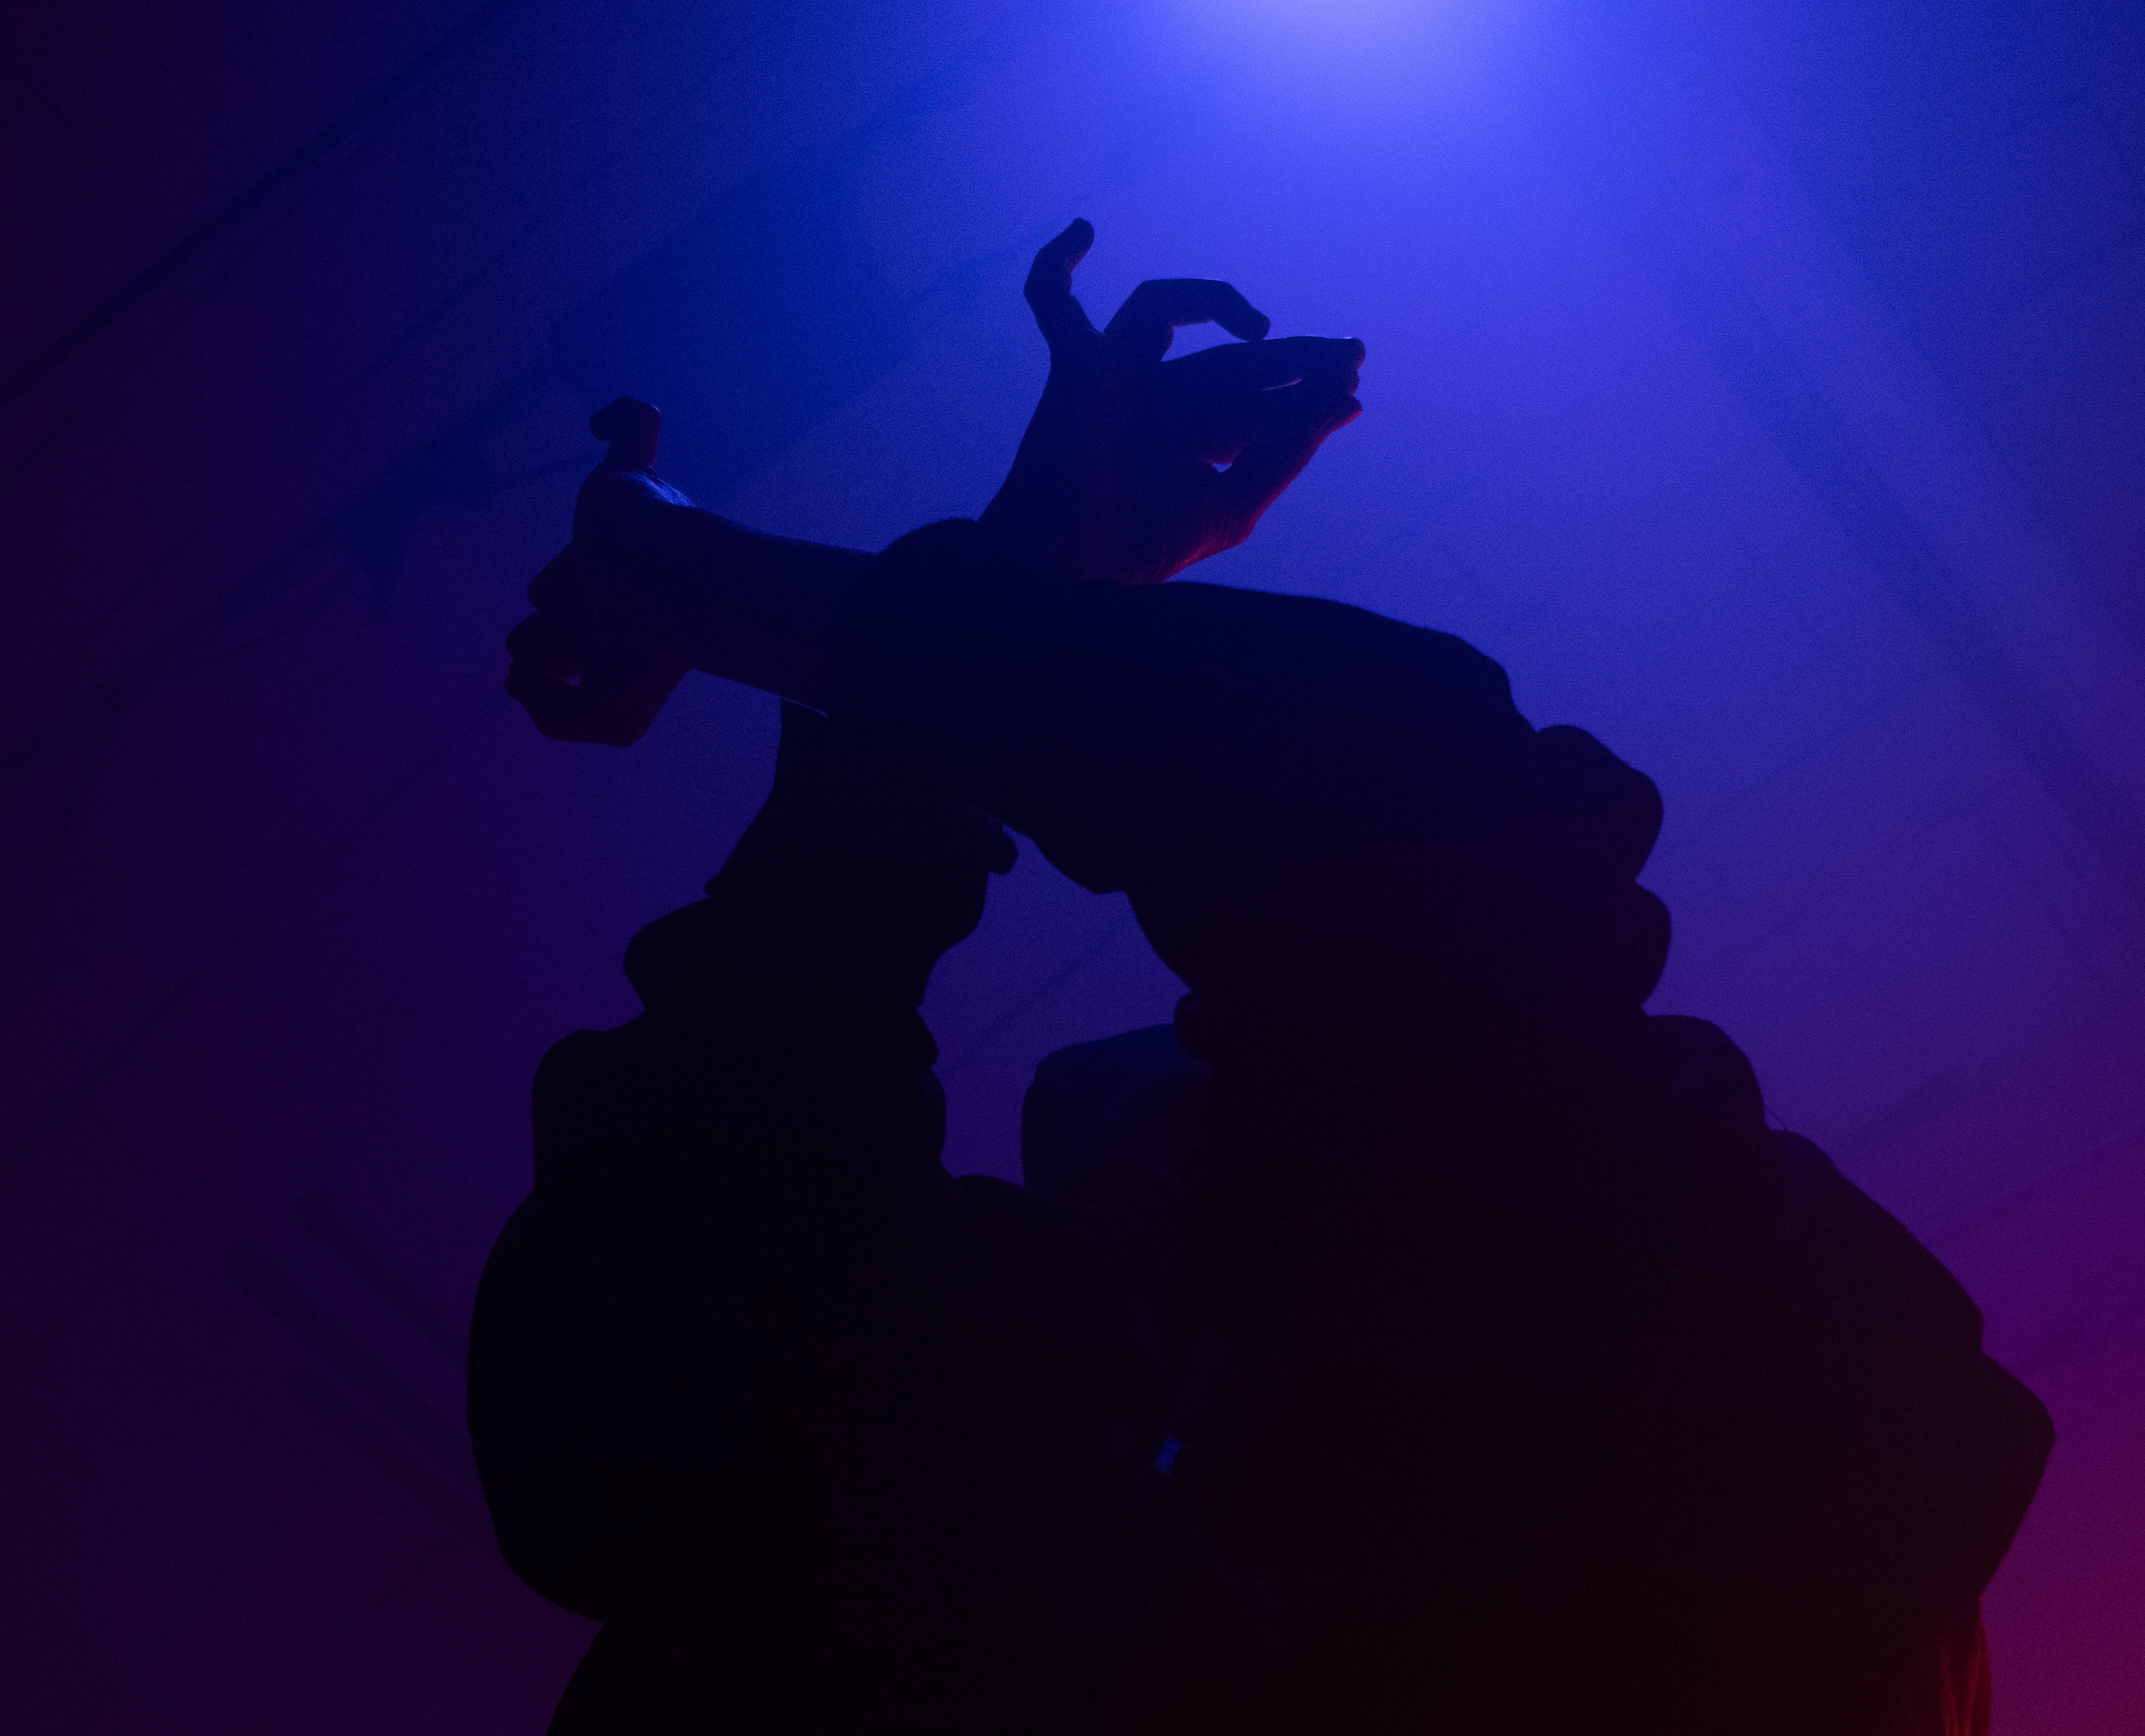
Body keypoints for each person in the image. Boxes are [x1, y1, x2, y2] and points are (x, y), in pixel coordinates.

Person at [471, 221, 2053, 1733]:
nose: (1189, 1092)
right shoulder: (1713, 1533)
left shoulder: (1720, 1534)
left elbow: (1403, 845)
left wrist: (730, 581)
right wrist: (968, 607)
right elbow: (1421, 870)